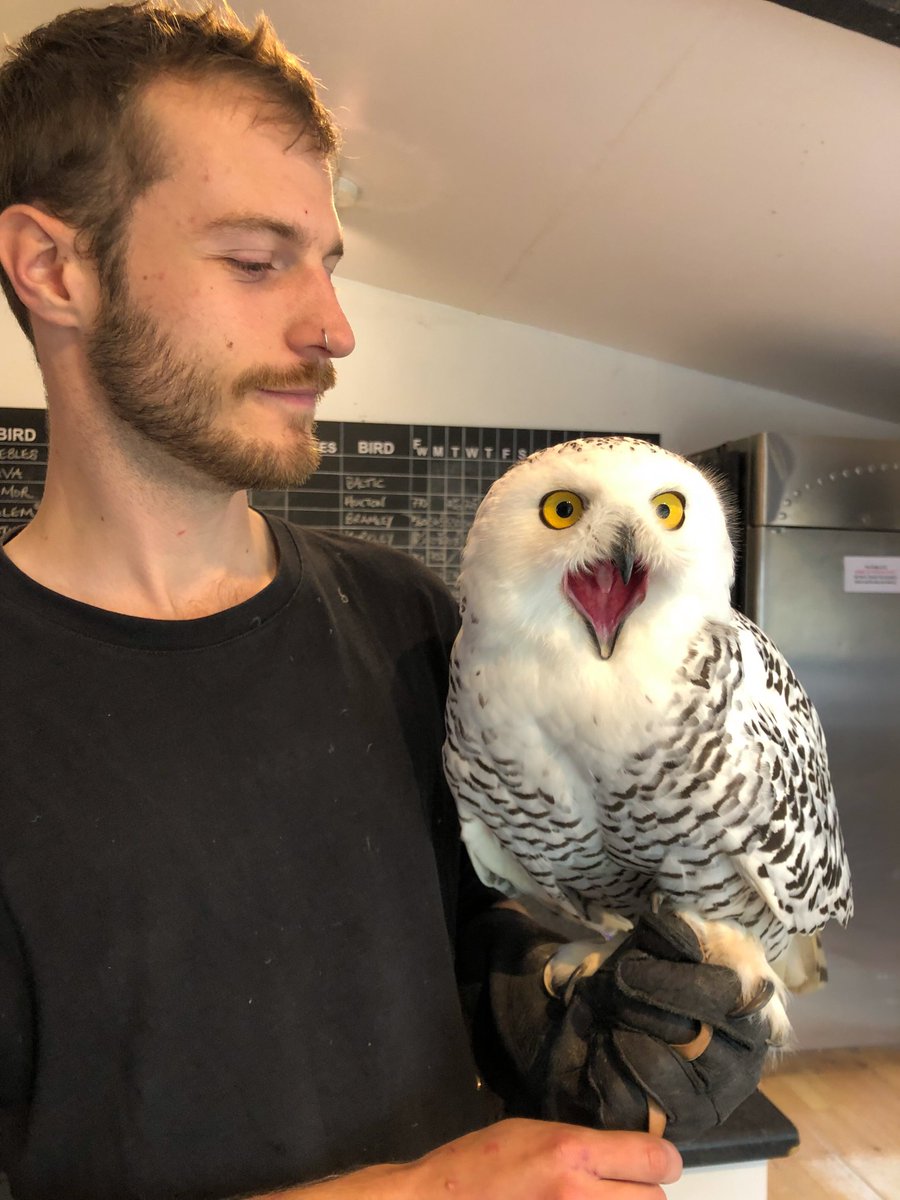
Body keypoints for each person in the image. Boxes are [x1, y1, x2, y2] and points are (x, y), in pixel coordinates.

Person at [0, 5, 769, 1198]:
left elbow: (465, 958)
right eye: (255, 262)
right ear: (55, 268)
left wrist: (588, 1028)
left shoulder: (408, 621)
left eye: (327, 263)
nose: (333, 329)